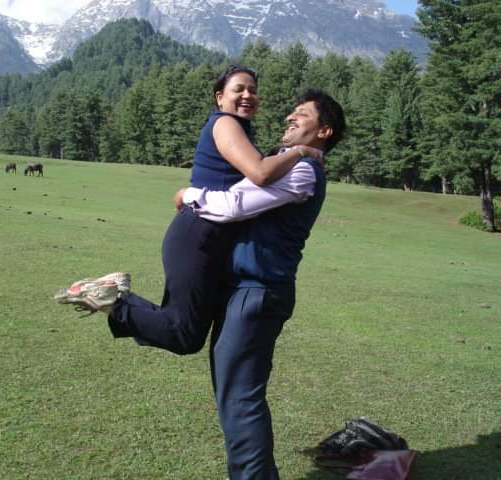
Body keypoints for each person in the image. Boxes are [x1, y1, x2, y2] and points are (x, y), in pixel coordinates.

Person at [55, 65, 321, 355]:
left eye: (253, 91)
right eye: (239, 89)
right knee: (184, 335)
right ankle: (111, 300)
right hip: (199, 234)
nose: (248, 95)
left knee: (185, 330)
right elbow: (260, 172)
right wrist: (301, 151)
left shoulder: (240, 130)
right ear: (220, 97)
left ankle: (113, 295)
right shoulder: (225, 123)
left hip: (209, 237)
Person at [182, 89, 346, 479]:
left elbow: (233, 206)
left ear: (324, 131)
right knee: (234, 396)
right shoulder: (288, 162)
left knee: (240, 399)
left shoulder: (303, 170)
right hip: (246, 290)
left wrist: (188, 195)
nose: (290, 117)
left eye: (301, 114)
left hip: (257, 291)